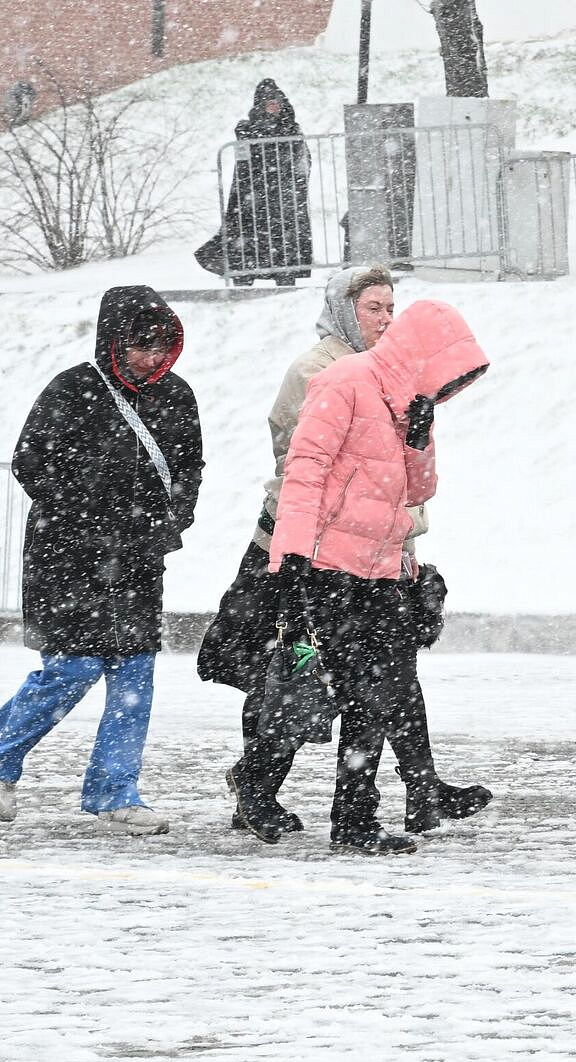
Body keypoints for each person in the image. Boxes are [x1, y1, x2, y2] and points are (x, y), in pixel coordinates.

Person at [199, 266, 490, 843]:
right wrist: (290, 560)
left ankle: (354, 816)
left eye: (390, 309)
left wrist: (419, 435)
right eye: (372, 308)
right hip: (325, 566)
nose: (383, 319)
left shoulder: (403, 398)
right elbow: (303, 472)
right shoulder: (342, 379)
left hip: (379, 567)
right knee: (322, 685)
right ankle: (277, 792)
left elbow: (418, 490)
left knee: (377, 690)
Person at [0, 286, 203, 835]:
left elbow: (190, 469)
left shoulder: (178, 396)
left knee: (134, 677)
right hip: (67, 557)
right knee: (72, 668)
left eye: (160, 346)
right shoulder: (73, 389)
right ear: (112, 341)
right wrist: (88, 521)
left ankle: (114, 792)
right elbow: (29, 462)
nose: (150, 357)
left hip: (141, 558)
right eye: (138, 345)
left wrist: (173, 522)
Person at [198, 79, 312, 286]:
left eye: (277, 100)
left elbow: (301, 158)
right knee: (248, 236)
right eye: (269, 101)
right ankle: (245, 275)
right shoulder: (251, 128)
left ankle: (284, 274)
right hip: (255, 193)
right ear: (261, 104)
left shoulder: (291, 127)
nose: (274, 105)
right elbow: (246, 160)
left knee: (281, 238)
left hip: (281, 194)